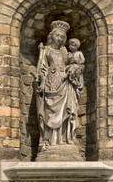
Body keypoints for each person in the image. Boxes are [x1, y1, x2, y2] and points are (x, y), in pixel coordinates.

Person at [35, 20, 70, 151]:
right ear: (52, 36)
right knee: (49, 110)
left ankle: (62, 139)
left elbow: (71, 64)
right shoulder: (45, 50)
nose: (59, 38)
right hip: (50, 82)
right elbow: (42, 67)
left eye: (62, 36)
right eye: (57, 35)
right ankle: (49, 140)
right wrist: (41, 78)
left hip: (64, 82)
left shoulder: (65, 52)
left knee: (64, 110)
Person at [66, 38, 85, 144]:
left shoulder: (79, 53)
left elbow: (82, 63)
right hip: (67, 82)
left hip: (74, 82)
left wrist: (75, 65)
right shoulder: (68, 54)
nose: (71, 46)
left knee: (72, 106)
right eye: (70, 44)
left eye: (74, 44)